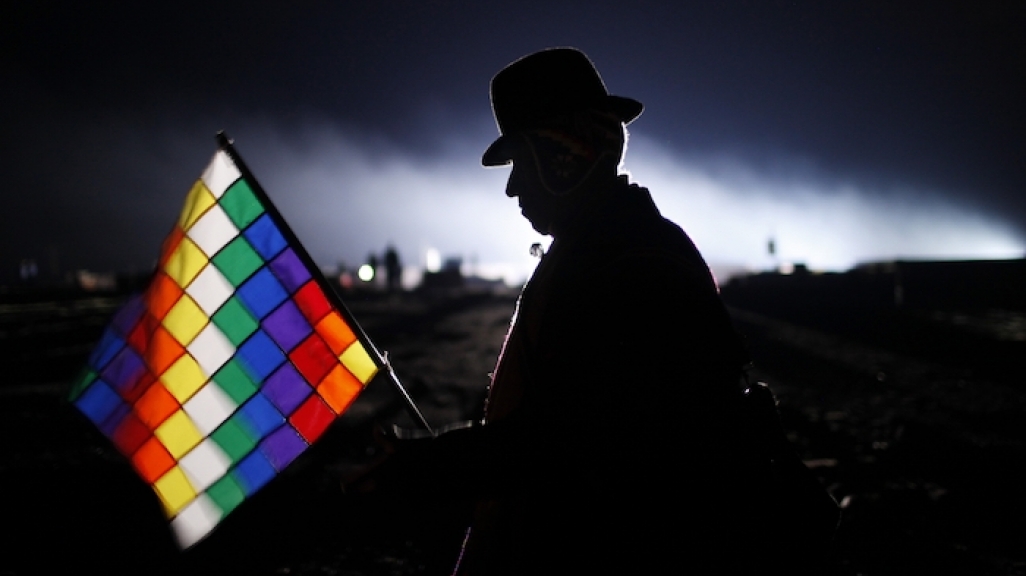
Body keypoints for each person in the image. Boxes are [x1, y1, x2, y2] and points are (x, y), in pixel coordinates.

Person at [353, 47, 837, 575]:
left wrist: (433, 468)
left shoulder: (633, 265)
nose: (513, 186)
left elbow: (573, 444)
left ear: (563, 155)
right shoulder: (608, 251)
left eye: (520, 161)